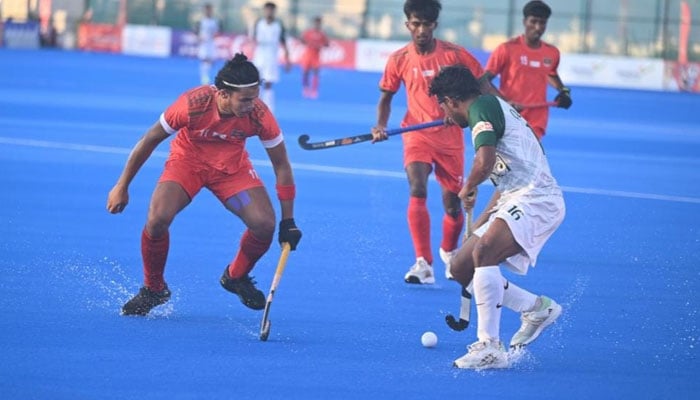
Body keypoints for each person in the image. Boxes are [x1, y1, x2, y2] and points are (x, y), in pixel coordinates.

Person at [106, 53, 302, 317]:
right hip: (187, 164)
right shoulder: (192, 105)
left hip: (231, 171)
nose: (252, 105)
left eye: (255, 97)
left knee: (264, 225)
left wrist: (288, 221)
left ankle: (235, 276)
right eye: (245, 99)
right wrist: (122, 185)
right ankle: (154, 289)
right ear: (223, 94)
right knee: (157, 219)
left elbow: (282, 165)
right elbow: (150, 139)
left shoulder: (259, 115)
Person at [428, 65, 564, 369]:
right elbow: (504, 183)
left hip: (538, 198)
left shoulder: (481, 107)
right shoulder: (487, 108)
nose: (447, 117)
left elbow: (484, 161)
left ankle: (489, 346)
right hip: (516, 197)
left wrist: (468, 185)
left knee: (484, 251)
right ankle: (536, 308)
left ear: (451, 99)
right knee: (460, 266)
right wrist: (482, 220)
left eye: (444, 108)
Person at [371, 0, 499, 284]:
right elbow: (386, 98)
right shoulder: (399, 59)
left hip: (450, 139)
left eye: (426, 25)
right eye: (415, 24)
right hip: (415, 133)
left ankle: (449, 251)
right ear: (407, 25)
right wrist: (380, 125)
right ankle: (423, 263)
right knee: (417, 188)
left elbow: (483, 85)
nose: (421, 30)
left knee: (453, 205)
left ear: (434, 26)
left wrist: (506, 110)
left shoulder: (454, 55)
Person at [482, 0, 571, 140]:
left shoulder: (552, 53)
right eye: (533, 21)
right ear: (524, 22)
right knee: (505, 161)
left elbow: (550, 74)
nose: (537, 27)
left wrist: (563, 91)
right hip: (509, 116)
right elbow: (484, 81)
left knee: (529, 160)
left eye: (542, 23)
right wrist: (506, 102)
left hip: (537, 119)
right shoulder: (507, 49)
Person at [250, 2, 291, 112]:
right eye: (267, 10)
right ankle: (255, 106)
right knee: (255, 82)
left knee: (268, 82)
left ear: (274, 11)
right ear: (264, 11)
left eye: (271, 10)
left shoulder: (279, 25)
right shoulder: (258, 23)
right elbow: (252, 40)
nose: (269, 12)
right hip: (259, 55)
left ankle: (268, 108)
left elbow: (284, 42)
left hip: (272, 57)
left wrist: (288, 60)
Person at [299, 16, 330, 99]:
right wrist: (307, 43)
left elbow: (327, 44)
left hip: (316, 56)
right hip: (308, 55)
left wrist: (320, 45)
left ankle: (314, 90)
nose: (317, 24)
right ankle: (305, 88)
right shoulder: (309, 32)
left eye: (319, 23)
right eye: (316, 23)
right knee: (305, 72)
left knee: (316, 72)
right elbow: (301, 40)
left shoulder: (322, 34)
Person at [195, 3, 221, 85]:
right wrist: (199, 37)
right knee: (204, 60)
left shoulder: (215, 21)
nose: (208, 12)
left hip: (211, 44)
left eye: (209, 10)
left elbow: (218, 32)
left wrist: (215, 35)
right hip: (204, 44)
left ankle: (207, 76)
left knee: (211, 61)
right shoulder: (201, 21)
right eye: (206, 10)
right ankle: (204, 78)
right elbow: (196, 31)